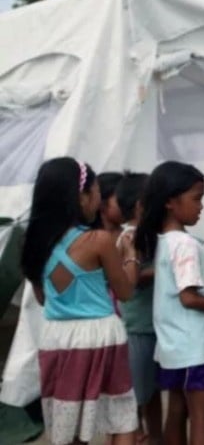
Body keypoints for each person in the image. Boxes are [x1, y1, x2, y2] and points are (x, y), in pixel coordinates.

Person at [20, 158, 139, 445]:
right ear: (80, 196)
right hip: (101, 334)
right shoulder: (98, 240)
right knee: (121, 416)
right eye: (96, 191)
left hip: (57, 338)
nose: (98, 199)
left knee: (67, 419)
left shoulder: (34, 242)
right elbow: (124, 292)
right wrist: (131, 256)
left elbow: (42, 297)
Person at [135, 161, 204, 445]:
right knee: (203, 416)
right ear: (170, 203)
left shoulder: (164, 241)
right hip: (193, 348)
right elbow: (189, 297)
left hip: (173, 347)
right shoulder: (185, 245)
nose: (201, 206)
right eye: (197, 198)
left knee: (177, 410)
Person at [115, 172, 163, 445]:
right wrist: (161, 271)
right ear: (139, 206)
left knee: (153, 389)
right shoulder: (128, 238)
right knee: (136, 392)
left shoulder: (149, 234)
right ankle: (132, 435)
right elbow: (128, 281)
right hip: (137, 327)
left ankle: (155, 437)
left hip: (153, 324)